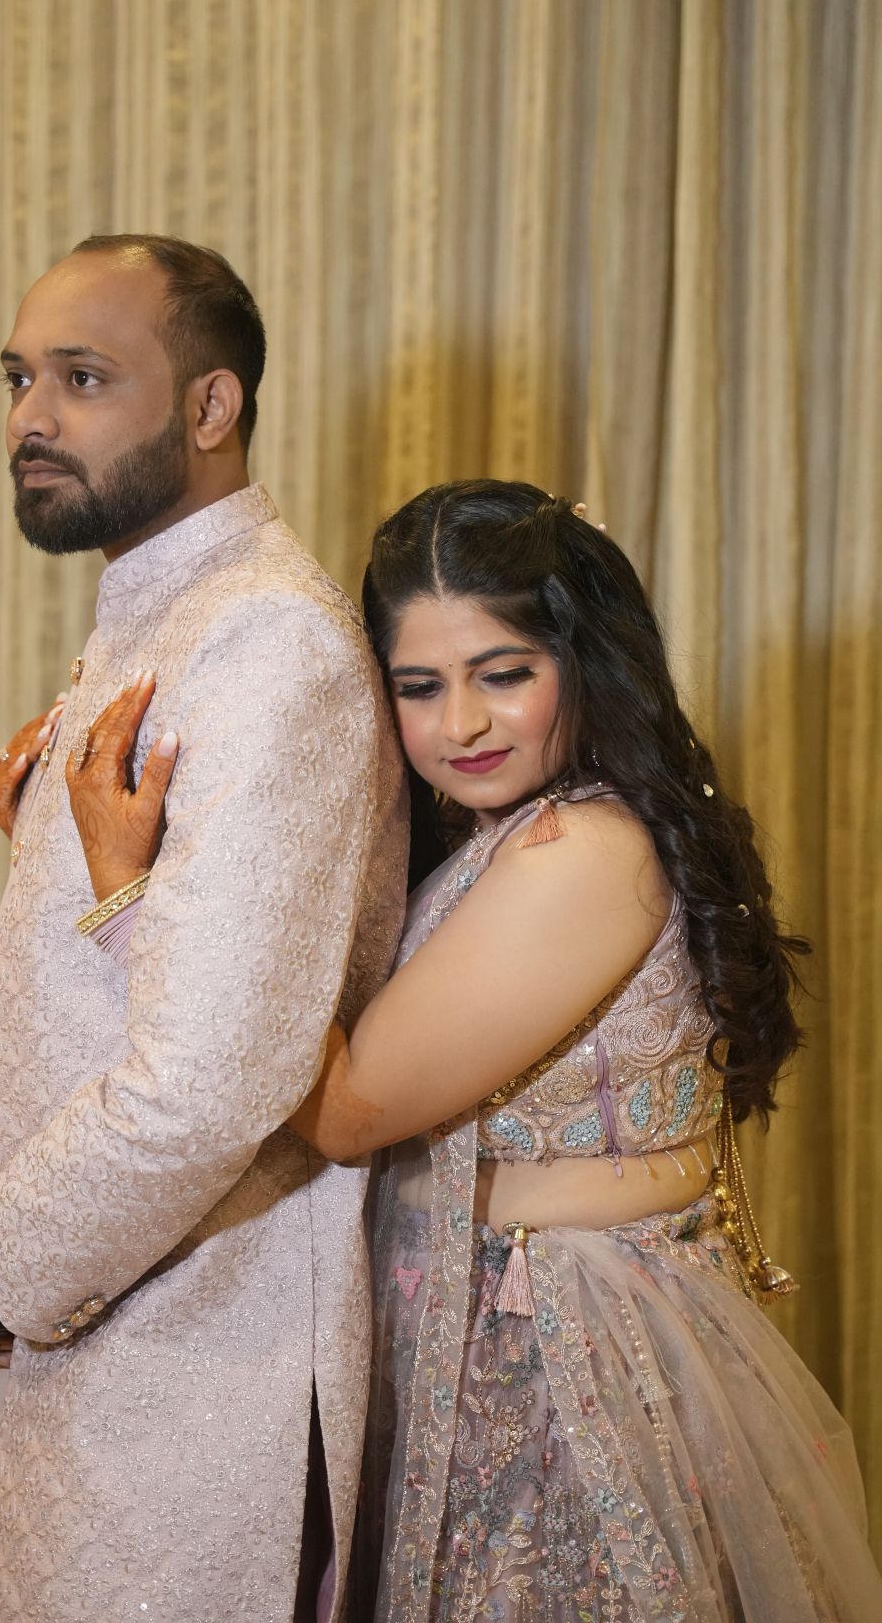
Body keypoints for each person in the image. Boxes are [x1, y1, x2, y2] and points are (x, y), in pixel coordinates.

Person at [78, 480, 882, 1621]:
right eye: (420, 686)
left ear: (583, 664)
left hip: (553, 1372)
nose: (461, 724)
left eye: (503, 674)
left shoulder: (578, 852)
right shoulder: (506, 836)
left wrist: (138, 895)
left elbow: (345, 1109)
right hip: (478, 1327)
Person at [0, 233, 408, 1622]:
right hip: (101, 1324)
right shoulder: (161, 612)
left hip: (194, 1364)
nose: (30, 417)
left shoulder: (267, 643)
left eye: (82, 378)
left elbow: (215, 1074)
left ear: (210, 405)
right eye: (18, 378)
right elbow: (68, 977)